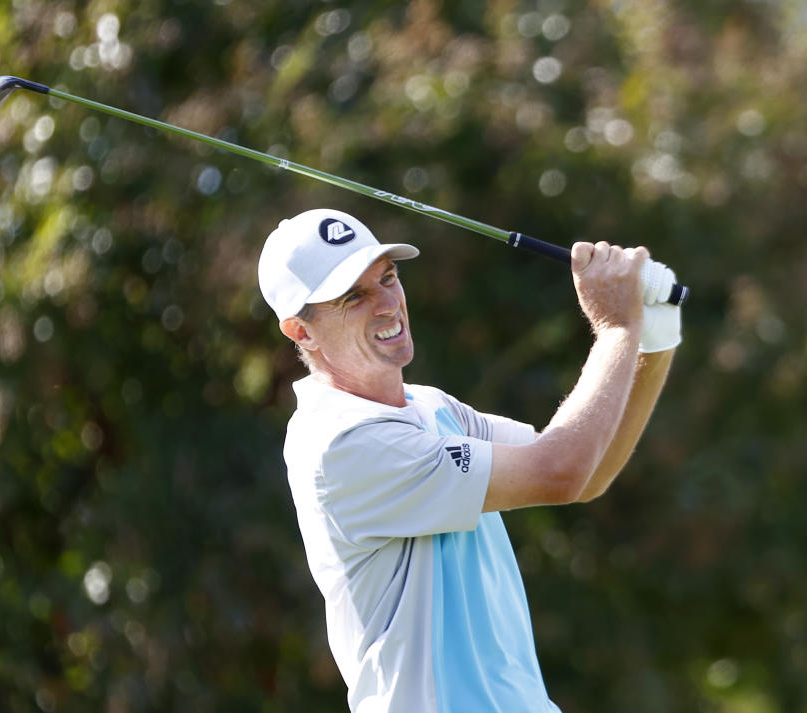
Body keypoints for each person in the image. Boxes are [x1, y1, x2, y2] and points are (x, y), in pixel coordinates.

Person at [257, 208, 681, 713]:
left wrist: (652, 339)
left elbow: (588, 468)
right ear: (301, 332)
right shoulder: (342, 444)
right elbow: (560, 470)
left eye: (388, 278)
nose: (389, 304)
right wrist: (615, 328)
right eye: (354, 297)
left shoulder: (429, 406)